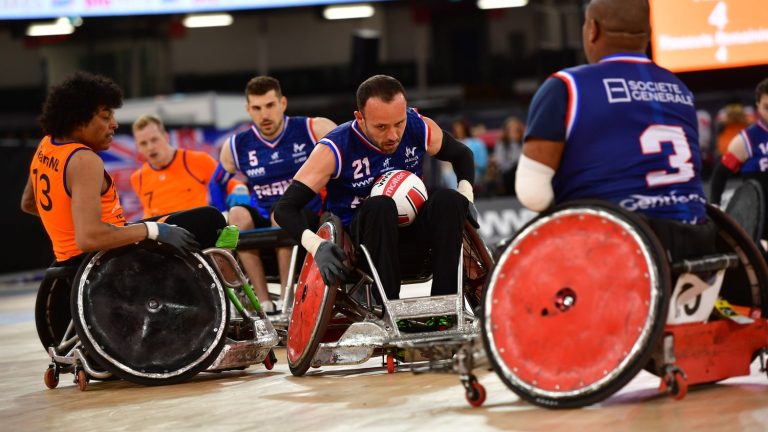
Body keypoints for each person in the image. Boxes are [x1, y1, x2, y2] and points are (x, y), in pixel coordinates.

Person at [515, 0, 714, 262]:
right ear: (648, 32)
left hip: (615, 251)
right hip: (698, 249)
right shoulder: (680, 89)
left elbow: (533, 195)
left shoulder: (566, 86)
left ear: (592, 30)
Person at [274, 74, 479, 301]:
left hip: (416, 237)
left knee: (449, 200)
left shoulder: (417, 125)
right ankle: (387, 304)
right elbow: (285, 208)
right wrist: (316, 246)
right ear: (360, 118)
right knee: (380, 205)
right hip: (362, 245)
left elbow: (462, 155)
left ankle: (446, 303)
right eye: (381, 126)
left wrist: (466, 195)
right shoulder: (335, 148)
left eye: (399, 123)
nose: (393, 135)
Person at [20, 71, 224, 273]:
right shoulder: (83, 159)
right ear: (79, 120)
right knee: (209, 220)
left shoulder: (46, 144)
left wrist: (72, 224)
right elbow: (89, 238)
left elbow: (29, 203)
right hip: (106, 260)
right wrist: (151, 230)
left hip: (71, 259)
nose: (114, 124)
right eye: (105, 117)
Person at [209, 76, 337, 313]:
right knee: (236, 215)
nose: (264, 115)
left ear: (283, 103)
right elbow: (215, 183)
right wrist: (222, 212)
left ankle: (288, 301)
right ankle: (263, 301)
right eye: (256, 108)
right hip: (262, 213)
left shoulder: (313, 128)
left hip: (304, 212)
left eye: (270, 105)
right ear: (248, 110)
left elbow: (345, 155)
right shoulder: (237, 145)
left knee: (280, 214)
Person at [130, 114, 241, 219]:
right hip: (162, 235)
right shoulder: (138, 178)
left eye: (154, 140)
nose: (150, 147)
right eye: (143, 143)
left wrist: (239, 191)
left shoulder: (198, 160)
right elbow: (148, 213)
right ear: (137, 147)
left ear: (166, 137)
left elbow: (233, 185)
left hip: (197, 231)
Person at [710, 78, 768, 240]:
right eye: (767, 107)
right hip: (763, 221)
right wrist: (715, 207)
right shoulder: (748, 139)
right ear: (757, 106)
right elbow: (720, 174)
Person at [493, 116, 525, 195]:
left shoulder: (524, 143)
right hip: (507, 174)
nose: (513, 132)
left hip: (523, 173)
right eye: (511, 130)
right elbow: (501, 163)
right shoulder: (501, 144)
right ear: (506, 131)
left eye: (516, 130)